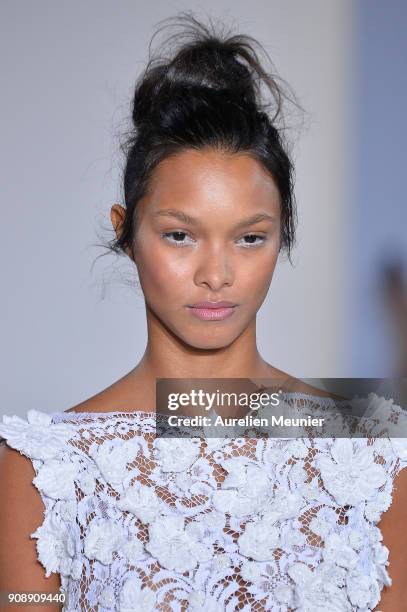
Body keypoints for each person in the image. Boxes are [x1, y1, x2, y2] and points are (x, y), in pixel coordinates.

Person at [1, 12, 407, 612]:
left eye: (249, 238)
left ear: (283, 236)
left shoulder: (369, 450)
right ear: (126, 231)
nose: (216, 274)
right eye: (180, 236)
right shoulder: (43, 468)